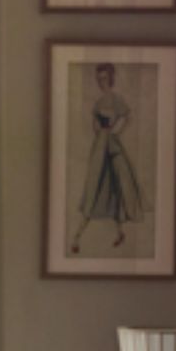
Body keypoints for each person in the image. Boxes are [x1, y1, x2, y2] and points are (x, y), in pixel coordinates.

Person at [71, 61, 144, 255]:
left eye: (104, 77)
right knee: (94, 190)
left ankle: (83, 237)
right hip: (99, 149)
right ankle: (78, 237)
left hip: (111, 148)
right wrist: (100, 134)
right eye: (98, 78)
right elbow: (94, 123)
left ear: (110, 78)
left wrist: (115, 133)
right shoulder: (99, 102)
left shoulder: (116, 99)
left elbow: (128, 117)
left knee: (113, 192)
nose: (100, 81)